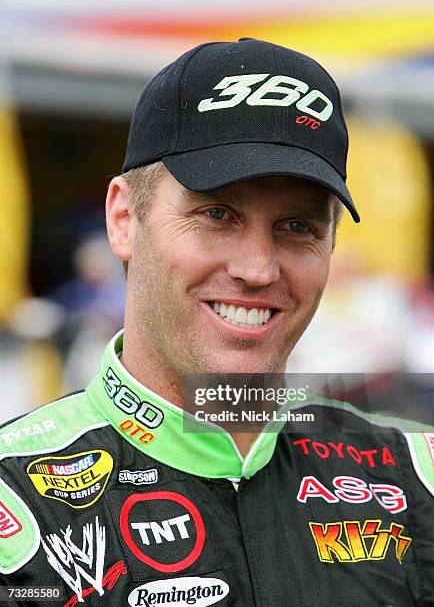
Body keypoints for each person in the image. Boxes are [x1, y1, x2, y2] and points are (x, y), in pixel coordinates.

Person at [0, 38, 432, 607]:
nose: (257, 269)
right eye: (217, 214)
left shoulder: (415, 475)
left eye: (298, 226)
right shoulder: (16, 501)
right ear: (124, 219)